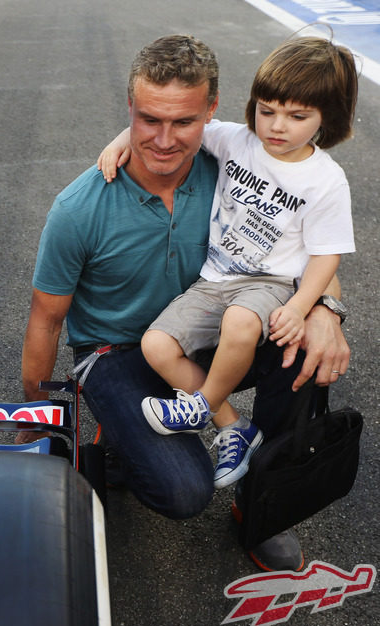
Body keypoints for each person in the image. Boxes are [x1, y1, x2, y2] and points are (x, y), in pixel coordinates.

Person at [21, 35, 350, 572]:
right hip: (115, 351)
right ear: (129, 108)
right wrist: (34, 417)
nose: (165, 140)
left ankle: (262, 509)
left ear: (212, 113)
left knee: (302, 358)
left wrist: (327, 312)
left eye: (183, 122)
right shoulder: (78, 208)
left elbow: (308, 248)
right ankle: (125, 432)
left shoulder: (234, 166)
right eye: (149, 120)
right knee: (184, 493)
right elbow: (47, 318)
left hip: (208, 331)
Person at [96, 37, 357, 490]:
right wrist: (125, 138)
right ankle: (233, 425)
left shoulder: (325, 180)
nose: (277, 126)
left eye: (298, 117)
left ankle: (203, 411)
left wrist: (301, 307)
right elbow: (176, 129)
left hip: (269, 282)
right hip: (215, 277)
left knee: (242, 323)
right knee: (157, 345)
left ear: (326, 119)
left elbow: (326, 253)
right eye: (268, 110)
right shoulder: (238, 139)